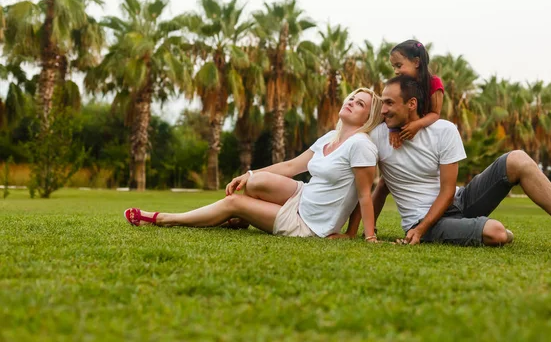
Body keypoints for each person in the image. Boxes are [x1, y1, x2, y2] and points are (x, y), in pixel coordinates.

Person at [341, 75, 551, 248]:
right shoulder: (375, 136)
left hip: (458, 199)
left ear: (411, 104)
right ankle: (481, 230)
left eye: (388, 103)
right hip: (425, 221)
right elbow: (372, 186)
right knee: (497, 233)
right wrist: (357, 231)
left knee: (517, 158)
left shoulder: (444, 130)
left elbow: (446, 190)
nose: (382, 110)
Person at [123, 88, 384, 242]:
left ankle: (163, 219)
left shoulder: (361, 144)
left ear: (368, 118)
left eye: (360, 104)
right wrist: (248, 174)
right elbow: (292, 166)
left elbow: (363, 194)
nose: (351, 102)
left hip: (309, 224)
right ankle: (237, 218)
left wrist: (360, 235)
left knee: (233, 202)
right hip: (301, 197)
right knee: (255, 182)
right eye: (351, 98)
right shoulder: (331, 137)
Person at [388, 39, 444, 148]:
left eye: (399, 65)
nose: (395, 71)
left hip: (425, 140)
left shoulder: (433, 83)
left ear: (416, 62)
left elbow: (435, 113)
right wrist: (393, 129)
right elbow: (389, 109)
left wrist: (417, 124)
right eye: (393, 67)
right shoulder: (398, 85)